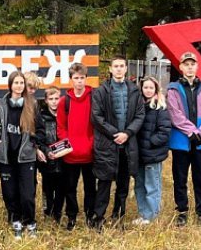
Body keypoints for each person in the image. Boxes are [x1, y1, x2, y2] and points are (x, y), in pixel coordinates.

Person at [90, 56, 145, 228]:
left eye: (122, 66)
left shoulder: (135, 91)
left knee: (123, 184)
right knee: (104, 183)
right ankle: (98, 218)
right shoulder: (101, 91)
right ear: (111, 69)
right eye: (116, 66)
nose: (119, 69)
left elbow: (139, 115)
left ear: (126, 69)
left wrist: (127, 133)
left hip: (127, 145)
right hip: (108, 144)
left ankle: (118, 216)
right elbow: (96, 117)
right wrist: (116, 134)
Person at [166, 52, 201, 227]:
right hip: (181, 141)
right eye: (186, 64)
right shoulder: (172, 89)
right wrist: (191, 132)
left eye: (192, 64)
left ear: (197, 67)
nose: (189, 67)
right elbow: (175, 114)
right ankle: (182, 211)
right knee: (180, 178)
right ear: (180, 67)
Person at [0, 71, 46, 238]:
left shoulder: (31, 105)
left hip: (25, 157)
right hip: (6, 157)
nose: (19, 86)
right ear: (10, 85)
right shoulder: (1, 105)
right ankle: (15, 221)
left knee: (27, 194)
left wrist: (33, 144)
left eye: (21, 83)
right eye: (16, 83)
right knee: (10, 193)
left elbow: (40, 129)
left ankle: (30, 222)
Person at [56, 62, 95, 230]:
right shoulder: (64, 102)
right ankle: (71, 217)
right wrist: (67, 143)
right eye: (76, 78)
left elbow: (97, 124)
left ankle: (90, 215)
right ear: (71, 80)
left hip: (89, 153)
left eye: (82, 78)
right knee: (69, 188)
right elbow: (61, 127)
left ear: (86, 79)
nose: (79, 81)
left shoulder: (94, 98)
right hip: (70, 154)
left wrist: (90, 144)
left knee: (90, 188)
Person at [133, 76, 171, 226]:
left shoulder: (160, 108)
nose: (148, 90)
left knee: (152, 186)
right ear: (141, 89)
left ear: (156, 89)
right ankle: (143, 214)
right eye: (145, 87)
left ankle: (152, 216)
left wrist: (149, 142)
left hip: (152, 154)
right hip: (139, 155)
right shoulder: (138, 107)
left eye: (151, 87)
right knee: (139, 185)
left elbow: (165, 131)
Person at [38, 86, 65, 221]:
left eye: (57, 98)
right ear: (46, 100)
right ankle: (48, 212)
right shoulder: (41, 117)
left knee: (61, 188)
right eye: (51, 99)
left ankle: (58, 214)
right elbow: (39, 139)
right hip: (47, 160)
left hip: (63, 159)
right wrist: (47, 151)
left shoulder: (65, 115)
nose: (54, 102)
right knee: (48, 188)